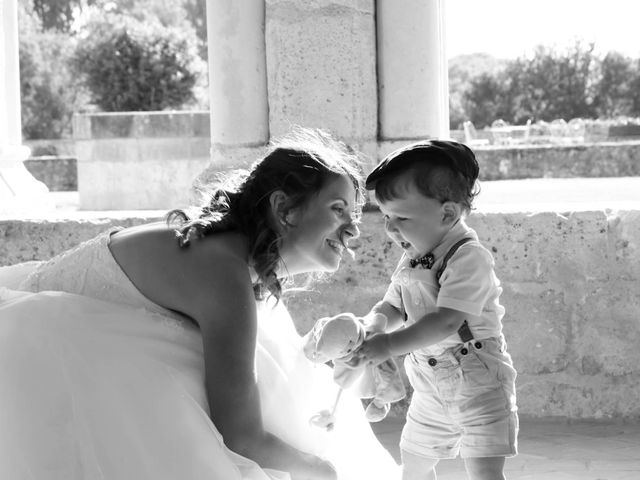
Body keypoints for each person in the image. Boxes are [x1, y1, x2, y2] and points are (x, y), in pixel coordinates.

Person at [0, 127, 399, 480]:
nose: (353, 229)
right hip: (33, 357)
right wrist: (322, 472)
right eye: (338, 209)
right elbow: (241, 435)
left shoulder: (238, 261)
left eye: (356, 215)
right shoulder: (222, 272)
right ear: (283, 209)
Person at [355, 140, 518, 480]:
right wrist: (375, 324)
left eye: (401, 217)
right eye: (386, 216)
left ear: (447, 213)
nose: (390, 227)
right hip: (429, 387)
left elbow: (446, 321)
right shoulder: (413, 254)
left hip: (478, 382)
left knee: (483, 470)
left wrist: (389, 345)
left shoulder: (469, 257)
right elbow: (393, 304)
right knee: (413, 461)